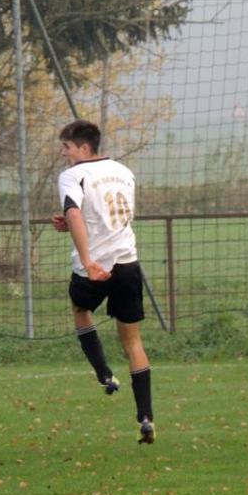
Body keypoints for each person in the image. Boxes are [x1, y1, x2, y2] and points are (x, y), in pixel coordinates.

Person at [51, 119, 155, 444]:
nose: (64, 154)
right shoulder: (124, 172)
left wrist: (87, 261)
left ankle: (104, 374)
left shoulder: (72, 175)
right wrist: (73, 224)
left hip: (95, 265)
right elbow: (109, 216)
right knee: (133, 342)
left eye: (67, 147)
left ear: (84, 148)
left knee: (80, 308)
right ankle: (146, 417)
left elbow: (76, 213)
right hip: (127, 262)